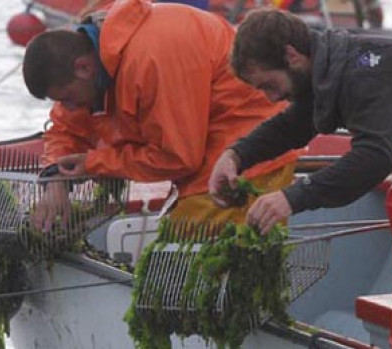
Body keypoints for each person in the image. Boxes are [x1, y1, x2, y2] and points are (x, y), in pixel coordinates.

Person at [208, 8, 392, 348]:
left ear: (291, 55)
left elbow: (373, 159)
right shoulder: (329, 65)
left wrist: (293, 197)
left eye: (269, 85)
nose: (271, 98)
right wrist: (236, 155)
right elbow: (295, 123)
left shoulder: (367, 72)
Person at [21, 0, 299, 231]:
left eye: (67, 98)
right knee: (176, 261)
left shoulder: (152, 60)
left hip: (247, 152)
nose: (67, 108)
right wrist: (56, 176)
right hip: (200, 157)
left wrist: (95, 163)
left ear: (82, 68)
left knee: (194, 266)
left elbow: (178, 157)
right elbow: (65, 130)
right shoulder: (92, 63)